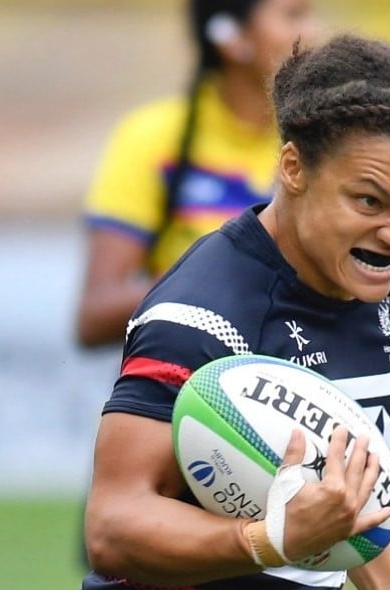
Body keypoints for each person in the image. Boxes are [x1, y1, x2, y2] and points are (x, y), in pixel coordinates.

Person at [20, 34, 390, 590]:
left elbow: (343, 479)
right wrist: (269, 539)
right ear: (293, 168)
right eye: (369, 201)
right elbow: (113, 522)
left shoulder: (383, 298)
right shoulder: (202, 312)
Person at [75, 0, 317, 348]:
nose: (313, 32)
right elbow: (95, 316)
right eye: (293, 16)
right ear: (233, 38)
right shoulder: (153, 137)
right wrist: (213, 280)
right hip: (187, 370)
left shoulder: (322, 141)